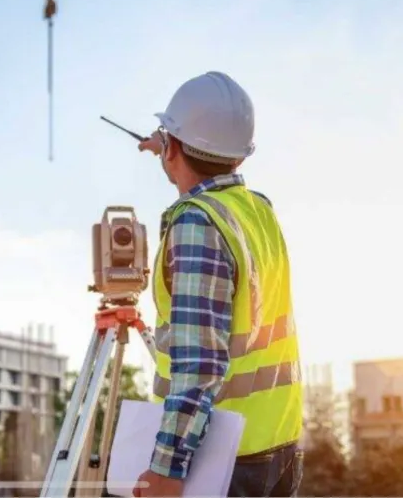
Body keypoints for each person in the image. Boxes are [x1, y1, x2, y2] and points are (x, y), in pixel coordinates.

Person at [132, 72, 304, 498]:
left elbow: (200, 363)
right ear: (240, 157)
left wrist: (167, 468)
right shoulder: (256, 210)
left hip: (221, 457)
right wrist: (170, 147)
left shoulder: (197, 222)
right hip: (277, 442)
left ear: (171, 147)